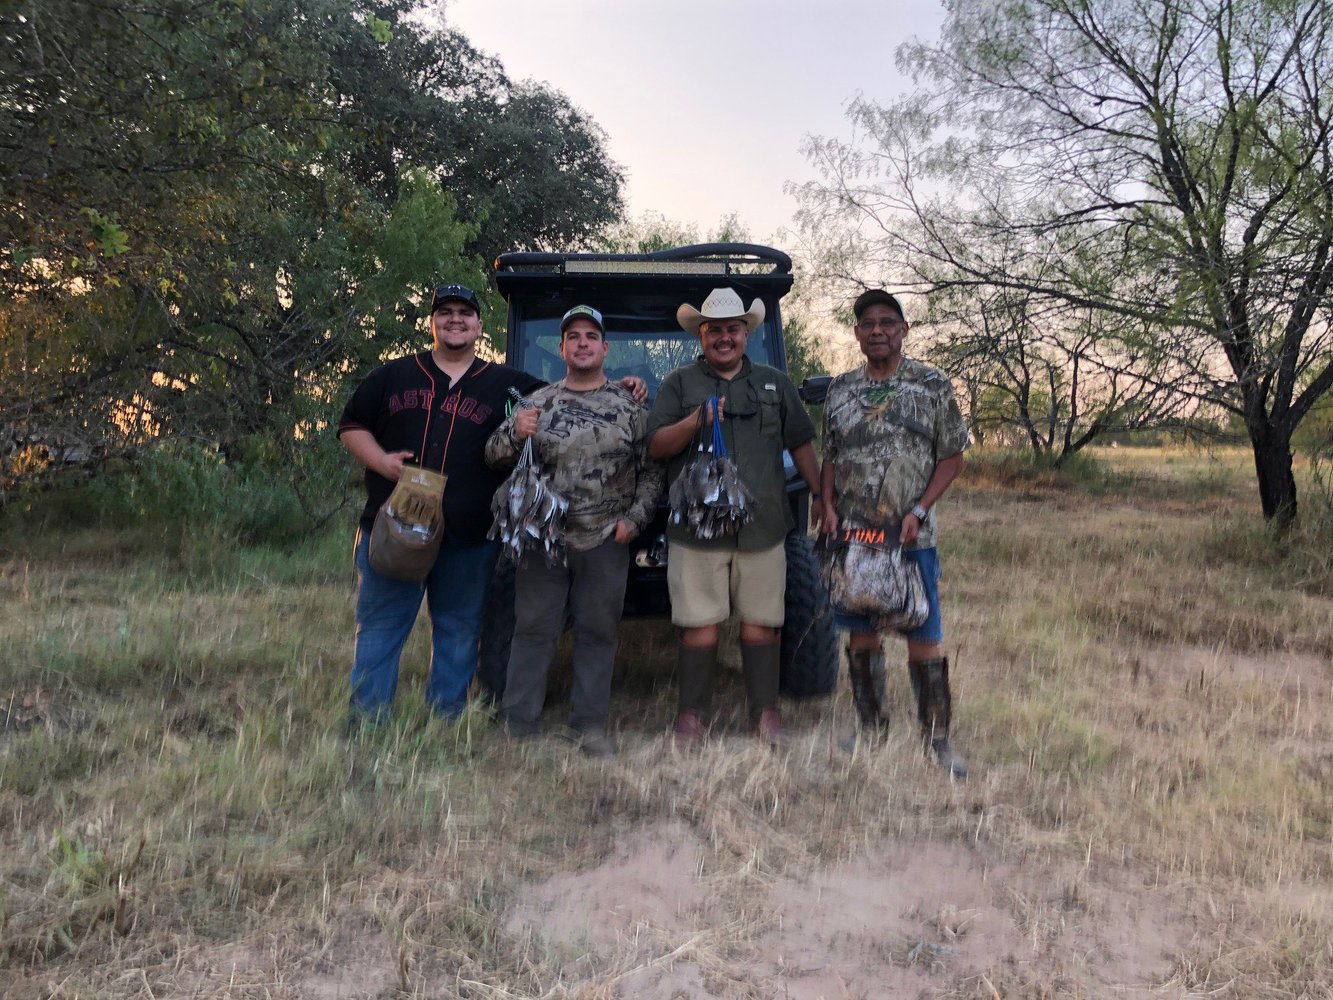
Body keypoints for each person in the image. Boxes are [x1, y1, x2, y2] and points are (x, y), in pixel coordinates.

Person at [336, 284, 645, 726]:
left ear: (480, 326)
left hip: (467, 533)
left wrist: (625, 386)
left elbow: (577, 392)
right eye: (446, 312)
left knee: (459, 631)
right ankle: (367, 723)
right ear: (433, 323)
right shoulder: (394, 375)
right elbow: (352, 425)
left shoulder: (508, 384)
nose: (456, 319)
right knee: (383, 626)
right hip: (396, 525)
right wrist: (382, 461)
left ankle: (445, 721)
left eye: (465, 313)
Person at [484, 305, 664, 757]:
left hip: (605, 539)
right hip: (545, 541)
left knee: (597, 633)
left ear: (604, 348)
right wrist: (514, 433)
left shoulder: (630, 406)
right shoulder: (537, 403)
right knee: (532, 631)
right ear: (562, 347)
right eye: (573, 336)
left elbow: (653, 471)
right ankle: (518, 724)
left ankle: (589, 727)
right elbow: (492, 456)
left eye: (590, 336)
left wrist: (634, 521)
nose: (582, 343)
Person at [647, 287, 822, 746]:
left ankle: (765, 716)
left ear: (746, 334)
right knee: (698, 625)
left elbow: (801, 443)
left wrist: (823, 494)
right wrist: (694, 423)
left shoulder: (774, 383)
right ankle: (692, 718)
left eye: (733, 330)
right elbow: (655, 445)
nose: (724, 338)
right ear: (700, 336)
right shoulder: (679, 384)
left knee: (762, 623)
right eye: (714, 331)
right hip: (696, 531)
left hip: (763, 529)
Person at [818, 289, 970, 779]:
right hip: (855, 539)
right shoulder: (840, 391)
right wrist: (825, 505)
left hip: (910, 539)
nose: (877, 330)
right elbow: (830, 458)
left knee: (924, 636)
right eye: (868, 323)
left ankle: (937, 739)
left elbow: (952, 456)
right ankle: (871, 729)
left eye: (887, 322)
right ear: (858, 334)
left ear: (904, 330)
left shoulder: (931, 385)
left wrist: (921, 509)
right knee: (861, 635)